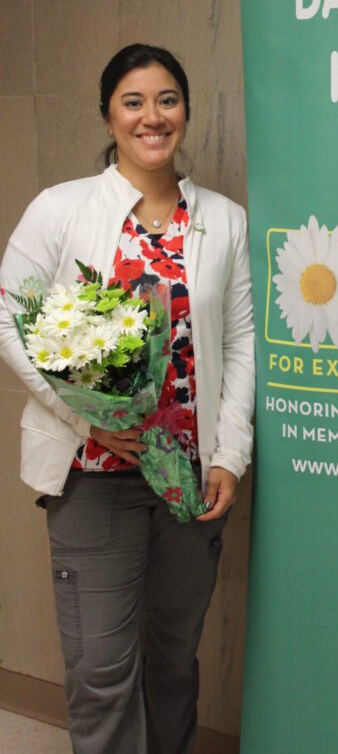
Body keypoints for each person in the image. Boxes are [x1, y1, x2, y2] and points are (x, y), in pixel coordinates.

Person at [0, 43, 255, 754]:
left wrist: (229, 453)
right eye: (133, 102)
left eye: (167, 99)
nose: (152, 117)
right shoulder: (63, 209)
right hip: (94, 479)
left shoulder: (224, 221)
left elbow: (239, 343)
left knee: (173, 664)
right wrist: (83, 416)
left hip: (189, 481)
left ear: (186, 112)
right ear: (108, 116)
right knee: (103, 672)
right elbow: (8, 317)